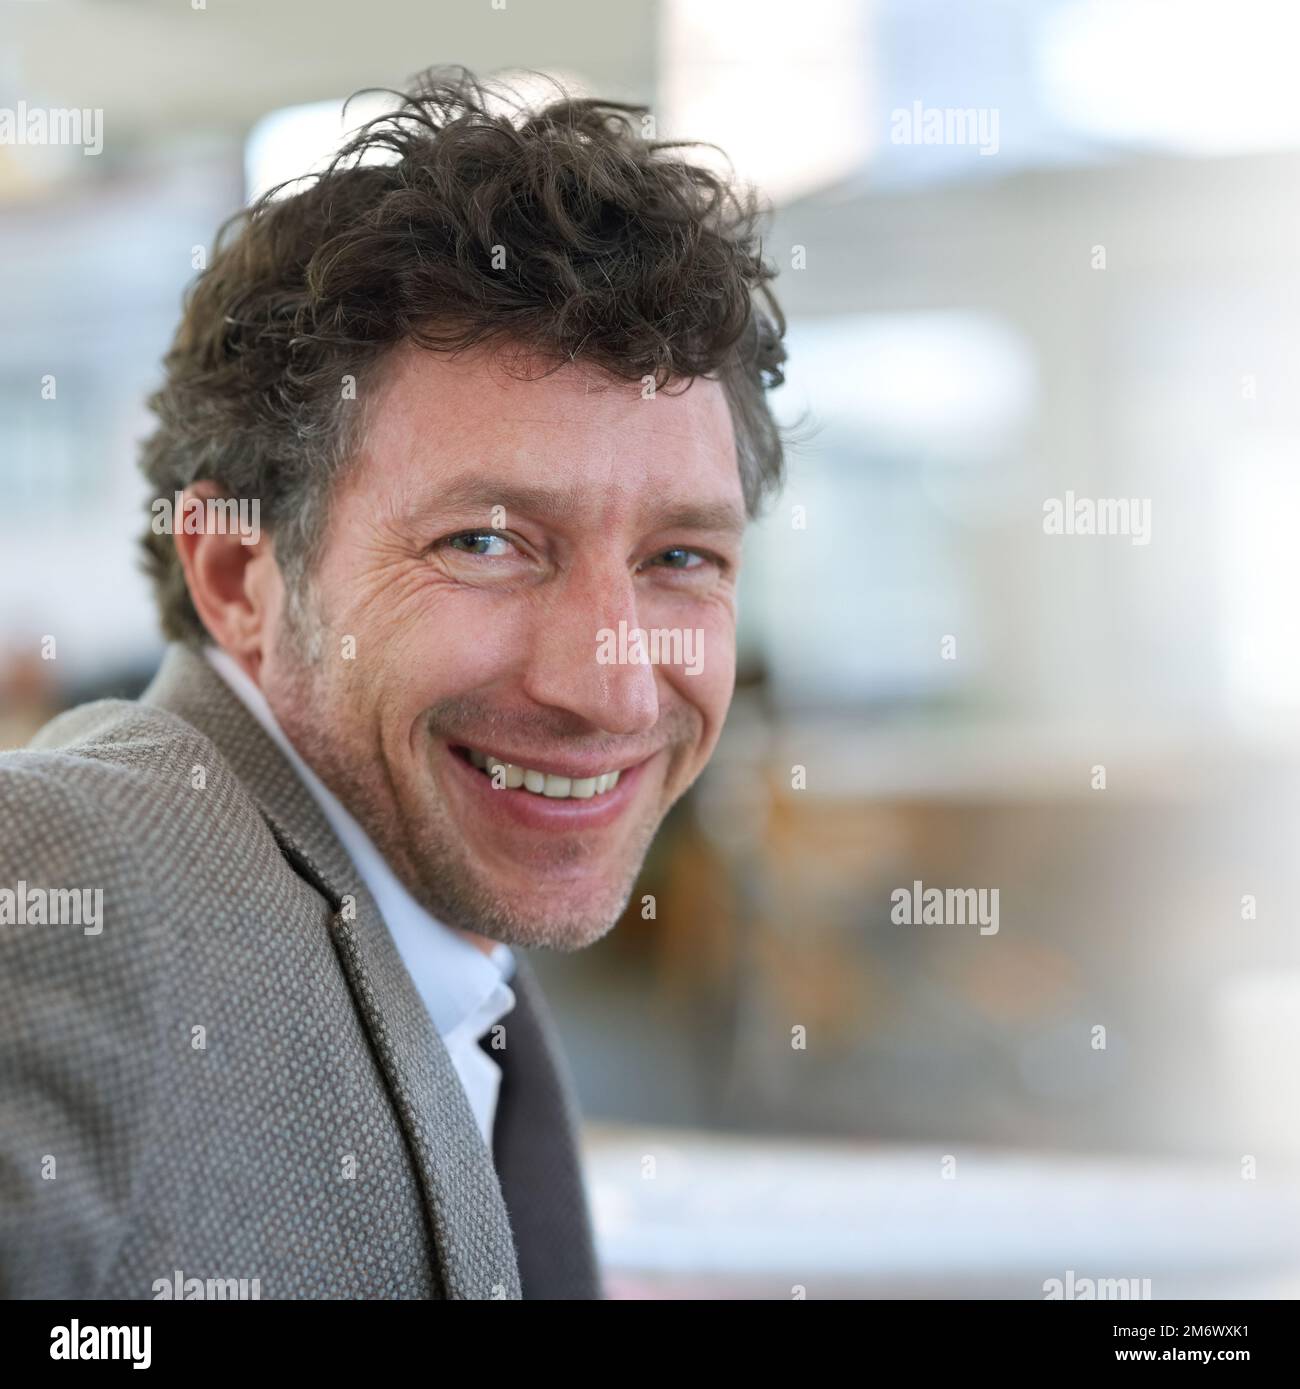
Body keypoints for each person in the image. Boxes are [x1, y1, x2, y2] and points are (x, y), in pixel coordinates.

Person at [0, 66, 787, 1299]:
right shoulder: (65, 875)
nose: (616, 693)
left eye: (680, 558)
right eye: (484, 544)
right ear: (238, 575)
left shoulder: (428, 941)